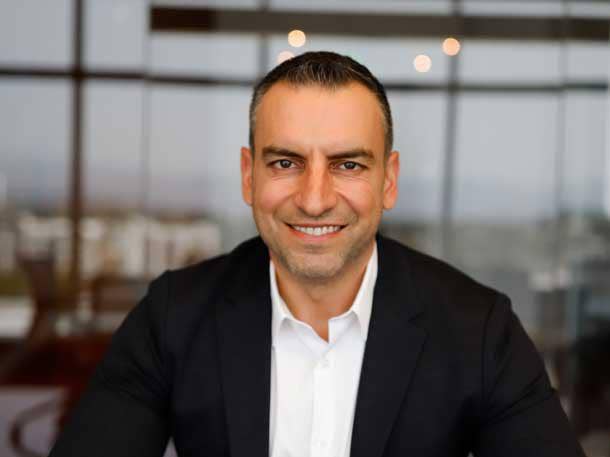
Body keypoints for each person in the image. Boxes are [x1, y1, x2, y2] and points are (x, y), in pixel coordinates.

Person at [49, 51, 585, 457]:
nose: (314, 199)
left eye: (348, 165)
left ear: (389, 181)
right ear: (248, 175)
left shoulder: (480, 330)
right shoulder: (174, 316)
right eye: (285, 163)